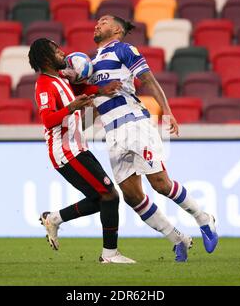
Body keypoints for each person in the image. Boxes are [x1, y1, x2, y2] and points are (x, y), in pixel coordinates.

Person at [87, 15, 219, 262]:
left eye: (103, 22)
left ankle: (204, 219)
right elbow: (97, 102)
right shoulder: (90, 62)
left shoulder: (125, 50)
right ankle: (177, 238)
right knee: (132, 196)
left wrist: (167, 111)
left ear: (117, 29)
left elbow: (147, 79)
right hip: (112, 133)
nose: (97, 24)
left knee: (160, 184)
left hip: (135, 125)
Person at [28, 38, 135, 264]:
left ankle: (54, 218)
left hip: (78, 147)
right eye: (57, 51)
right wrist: (72, 107)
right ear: (47, 58)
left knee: (101, 198)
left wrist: (101, 90)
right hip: (66, 151)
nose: (62, 53)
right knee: (110, 195)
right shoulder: (45, 85)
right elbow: (48, 120)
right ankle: (109, 255)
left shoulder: (62, 78)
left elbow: (83, 88)